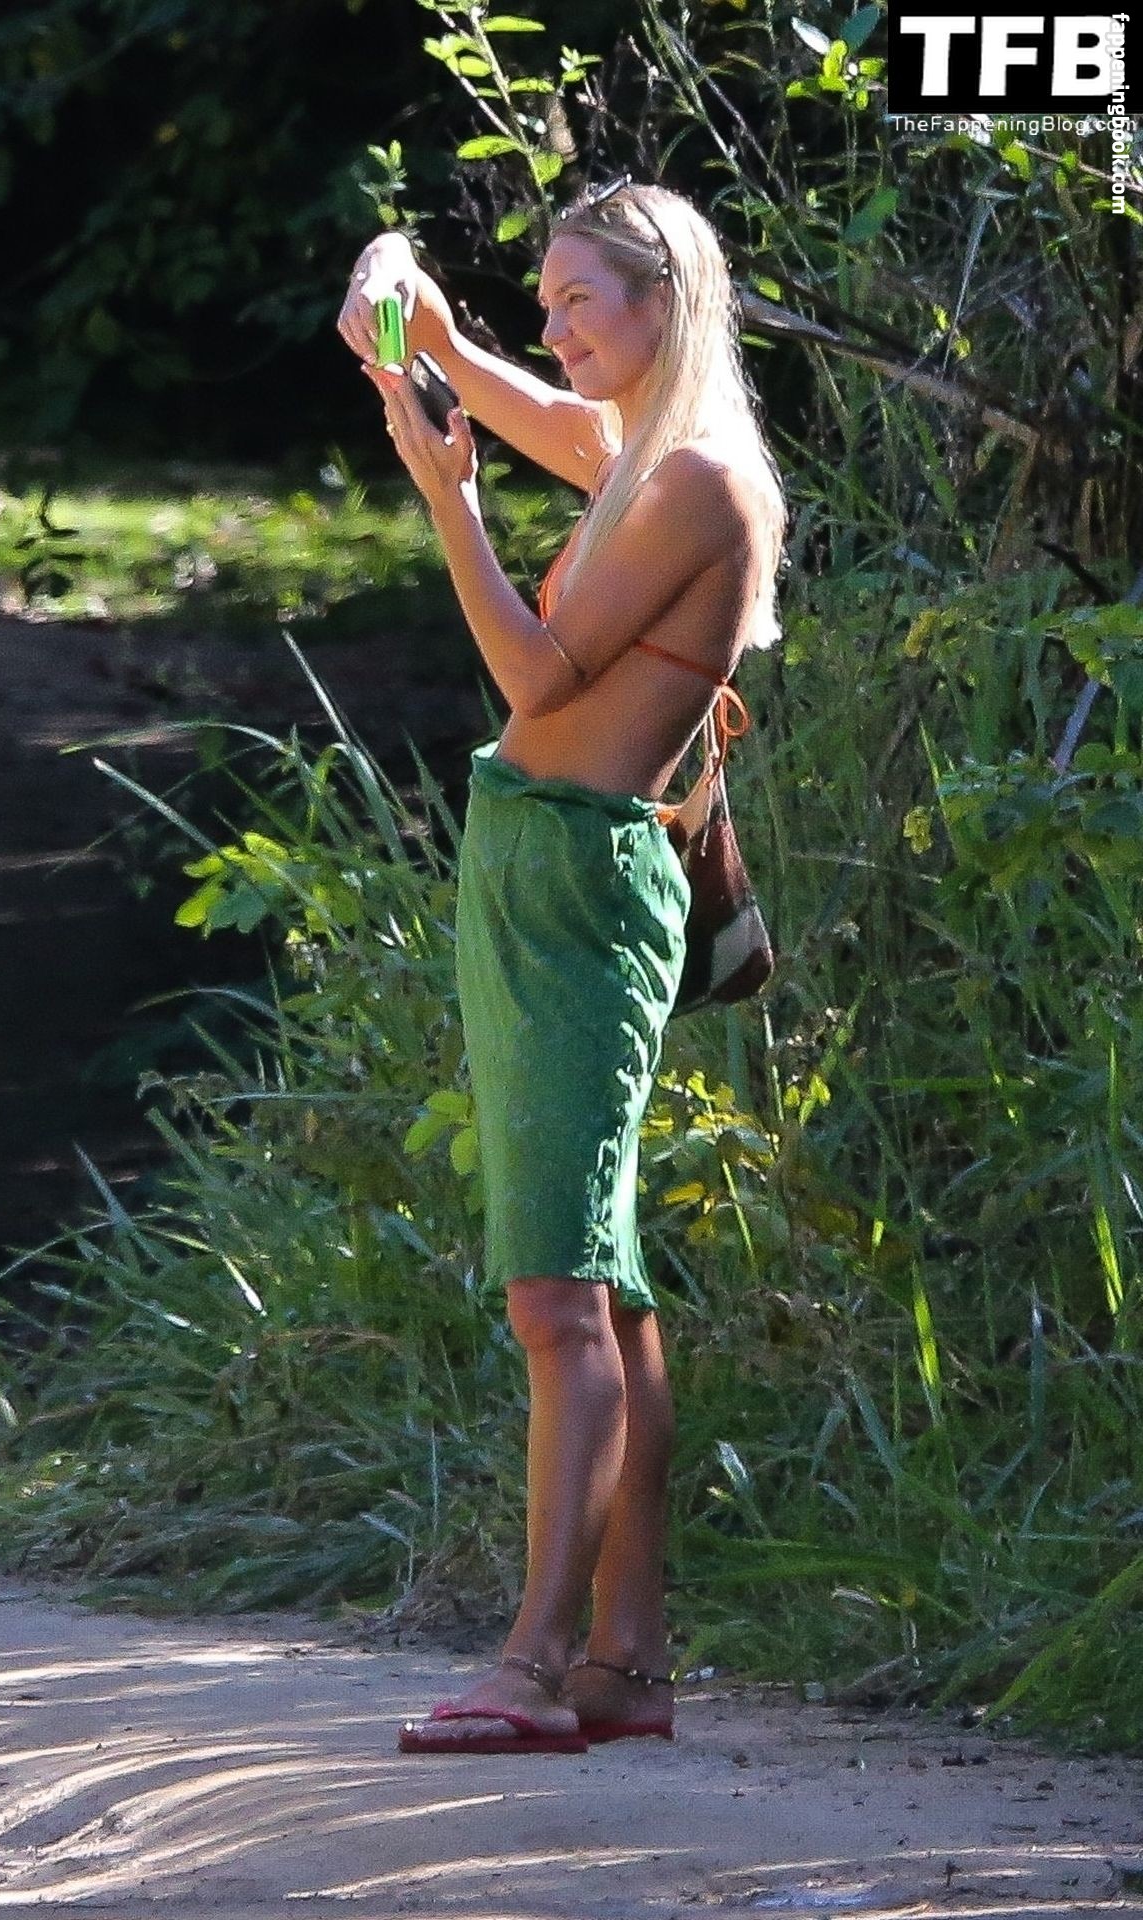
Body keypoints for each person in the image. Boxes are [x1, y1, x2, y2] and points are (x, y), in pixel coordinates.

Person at [336, 179, 788, 1755]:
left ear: (667, 304)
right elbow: (511, 393)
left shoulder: (698, 484)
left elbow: (533, 673)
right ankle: (625, 1661)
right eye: (545, 302)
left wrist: (442, 491)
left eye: (580, 301)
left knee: (556, 1295)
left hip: (582, 888)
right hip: (548, 873)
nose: (556, 328)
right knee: (604, 1285)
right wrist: (411, 312)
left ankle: (534, 1667)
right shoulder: (649, 458)